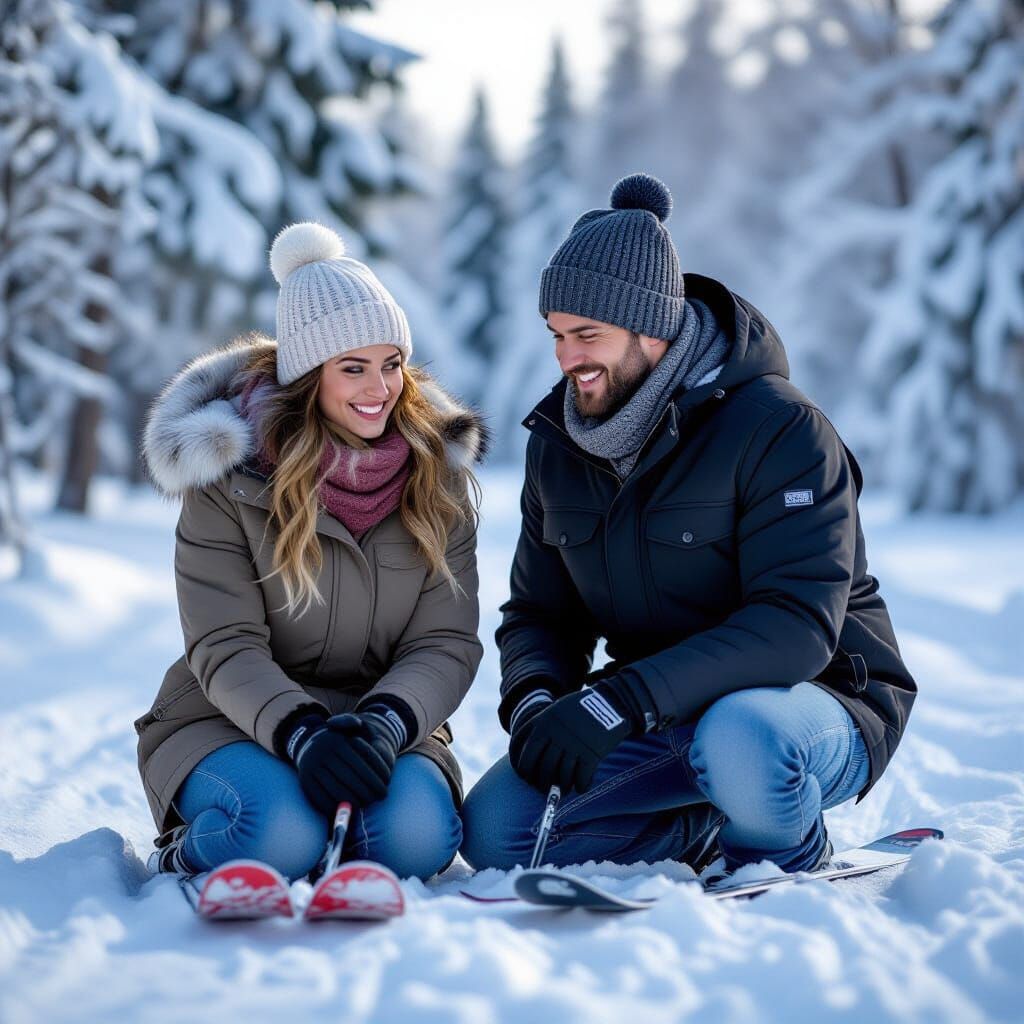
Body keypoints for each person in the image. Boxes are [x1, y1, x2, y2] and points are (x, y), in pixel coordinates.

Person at [460, 173, 916, 880]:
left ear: (653, 327)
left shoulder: (778, 428)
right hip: (662, 717)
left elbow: (795, 627)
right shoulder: (561, 443)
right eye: (556, 336)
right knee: (499, 834)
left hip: (816, 703)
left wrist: (622, 700)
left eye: (587, 335)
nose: (567, 359)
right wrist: (538, 702)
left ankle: (785, 854)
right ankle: (707, 823)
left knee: (741, 737)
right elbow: (538, 613)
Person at [138, 222, 486, 883]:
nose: (378, 389)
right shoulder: (231, 480)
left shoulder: (437, 481)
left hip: (382, 725)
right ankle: (185, 851)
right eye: (352, 368)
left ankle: (348, 823)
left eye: (391, 365)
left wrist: (386, 724)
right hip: (231, 717)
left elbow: (445, 642)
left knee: (417, 839)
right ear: (307, 376)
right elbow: (226, 643)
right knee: (276, 837)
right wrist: (299, 730)